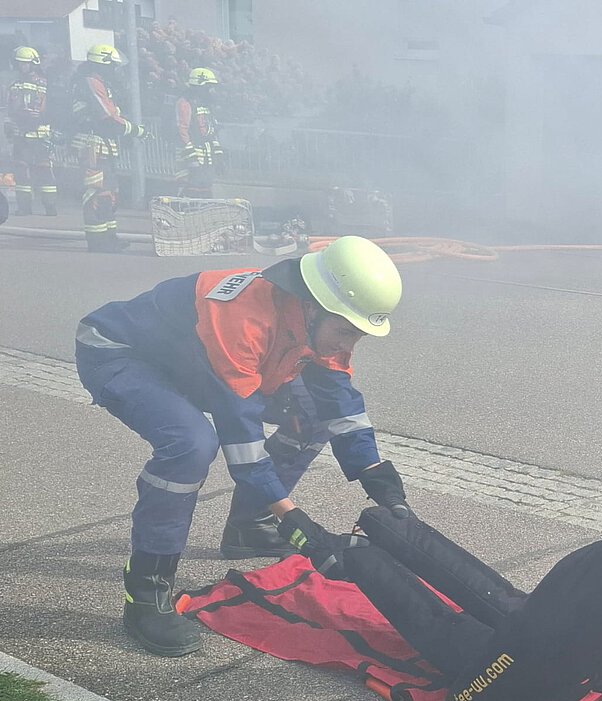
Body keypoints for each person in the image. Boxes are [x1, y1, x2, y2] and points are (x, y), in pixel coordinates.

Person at [74, 236, 412, 657]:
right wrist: (296, 523)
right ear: (313, 305)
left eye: (358, 335)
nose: (349, 346)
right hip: (120, 353)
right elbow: (243, 440)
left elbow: (339, 404)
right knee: (190, 444)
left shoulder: (314, 319)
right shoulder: (240, 319)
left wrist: (377, 477)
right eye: (346, 331)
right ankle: (146, 590)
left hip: (193, 364)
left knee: (309, 417)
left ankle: (248, 528)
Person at [69, 43, 148, 252]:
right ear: (101, 65)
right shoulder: (91, 82)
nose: (115, 70)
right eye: (112, 66)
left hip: (102, 145)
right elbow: (106, 116)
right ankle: (97, 241)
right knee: (96, 193)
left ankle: (109, 237)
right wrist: (134, 130)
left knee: (110, 194)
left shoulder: (102, 84)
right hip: (91, 146)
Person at [4, 46, 58, 216]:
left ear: (34, 64)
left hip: (40, 134)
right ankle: (24, 207)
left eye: (25, 63)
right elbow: (10, 109)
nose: (22, 66)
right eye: (20, 63)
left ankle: (50, 206)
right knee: (21, 171)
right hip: (20, 135)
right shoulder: (14, 85)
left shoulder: (45, 83)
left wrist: (44, 120)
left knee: (44, 170)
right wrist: (9, 127)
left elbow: (51, 107)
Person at [175, 66, 223, 198]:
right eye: (208, 87)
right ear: (199, 86)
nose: (211, 91)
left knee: (206, 189)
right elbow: (182, 130)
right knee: (190, 189)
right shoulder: (185, 103)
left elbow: (211, 130)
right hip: (192, 153)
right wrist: (192, 158)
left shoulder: (207, 104)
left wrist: (218, 156)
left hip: (206, 153)